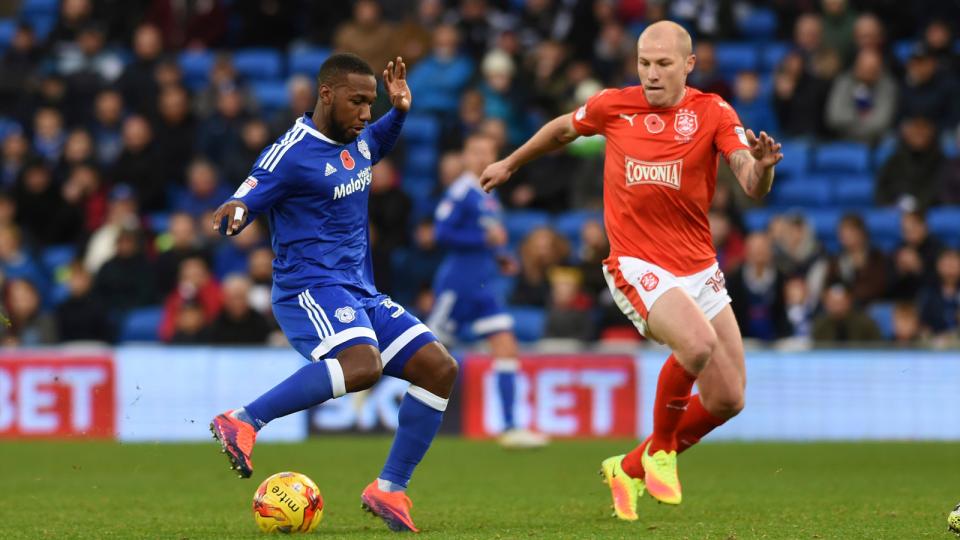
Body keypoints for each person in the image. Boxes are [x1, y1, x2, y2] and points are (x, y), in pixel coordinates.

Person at [479, 21, 782, 520]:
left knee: (729, 399)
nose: (651, 74)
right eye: (644, 63)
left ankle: (630, 466)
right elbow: (561, 129)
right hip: (636, 262)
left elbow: (750, 182)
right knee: (698, 346)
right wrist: (511, 162)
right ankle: (662, 450)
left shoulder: (713, 112)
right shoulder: (614, 105)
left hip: (698, 266)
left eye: (663, 64)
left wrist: (765, 166)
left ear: (689, 65)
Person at [208, 53, 456, 533]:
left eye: (370, 103)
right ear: (326, 95)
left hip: (359, 289)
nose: (365, 113)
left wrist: (398, 111)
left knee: (439, 368)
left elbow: (374, 144)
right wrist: (238, 209)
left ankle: (389, 489)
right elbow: (252, 189)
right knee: (363, 366)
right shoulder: (292, 151)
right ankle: (243, 420)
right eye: (357, 102)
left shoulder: (358, 139)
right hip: (309, 289)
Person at [427, 133, 548, 449]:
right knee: (429, 357)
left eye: (487, 152)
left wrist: (502, 257)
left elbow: (488, 237)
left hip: (484, 287)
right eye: (475, 151)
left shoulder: (487, 193)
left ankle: (509, 427)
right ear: (465, 156)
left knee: (507, 347)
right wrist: (485, 243)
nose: (481, 157)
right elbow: (440, 233)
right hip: (458, 286)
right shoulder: (462, 190)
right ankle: (380, 400)